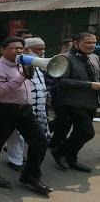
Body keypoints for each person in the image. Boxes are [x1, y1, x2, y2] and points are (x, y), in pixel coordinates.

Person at [0, 37, 52, 193]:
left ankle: (31, 176)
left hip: (25, 109)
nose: (18, 51)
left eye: (21, 48)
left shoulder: (24, 64)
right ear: (2, 50)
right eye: (14, 48)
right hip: (3, 110)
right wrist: (22, 77)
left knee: (40, 141)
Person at [51, 32, 100, 173]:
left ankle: (72, 158)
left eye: (94, 42)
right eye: (88, 43)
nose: (92, 46)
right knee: (87, 132)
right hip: (72, 101)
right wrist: (90, 85)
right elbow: (61, 81)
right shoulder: (64, 59)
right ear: (75, 43)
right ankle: (59, 151)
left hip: (91, 101)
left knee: (79, 131)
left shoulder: (94, 57)